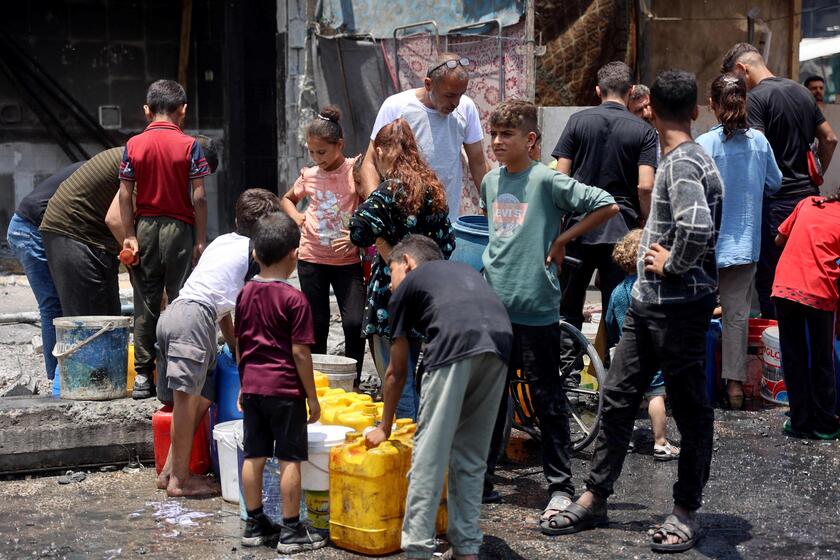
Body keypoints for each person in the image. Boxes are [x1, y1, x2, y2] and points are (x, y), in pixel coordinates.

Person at [545, 70, 723, 555]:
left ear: (649, 110)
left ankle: (685, 509)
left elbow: (697, 227)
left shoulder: (684, 163)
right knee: (620, 394)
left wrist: (672, 262)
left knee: (689, 408)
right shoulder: (674, 157)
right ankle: (595, 495)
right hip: (649, 306)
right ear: (694, 110)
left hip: (680, 308)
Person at [480, 99, 619, 525]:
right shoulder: (489, 181)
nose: (499, 142)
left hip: (537, 308)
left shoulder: (546, 181)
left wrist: (563, 240)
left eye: (508, 134)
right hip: (493, 308)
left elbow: (607, 204)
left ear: (532, 140)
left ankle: (560, 487)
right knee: (488, 398)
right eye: (494, 134)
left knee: (549, 399)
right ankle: (481, 479)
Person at [365, 235, 513, 560]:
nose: (391, 284)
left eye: (391, 271)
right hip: (501, 341)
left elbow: (395, 372)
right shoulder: (461, 272)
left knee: (429, 455)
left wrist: (384, 426)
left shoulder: (406, 287)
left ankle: (417, 548)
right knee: (472, 456)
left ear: (407, 263)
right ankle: (467, 547)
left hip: (456, 341)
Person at [155, 188, 281, 497]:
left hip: (174, 315)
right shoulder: (254, 253)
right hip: (194, 320)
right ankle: (181, 482)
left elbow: (223, 305)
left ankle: (170, 471)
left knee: (200, 398)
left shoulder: (222, 242)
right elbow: (251, 305)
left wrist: (235, 347)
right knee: (186, 402)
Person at [552, 62, 658, 374]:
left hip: (578, 231)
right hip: (621, 233)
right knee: (621, 308)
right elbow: (645, 186)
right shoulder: (643, 131)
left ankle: (568, 377)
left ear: (598, 91)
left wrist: (559, 228)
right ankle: (618, 380)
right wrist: (645, 222)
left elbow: (560, 181)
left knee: (567, 308)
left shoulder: (577, 121)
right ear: (631, 92)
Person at [721, 43, 838, 319]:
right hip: (809, 201)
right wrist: (816, 171)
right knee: (809, 273)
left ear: (742, 69)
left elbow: (756, 148)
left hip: (775, 203)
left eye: (735, 79)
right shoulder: (802, 92)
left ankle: (777, 348)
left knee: (773, 278)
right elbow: (830, 138)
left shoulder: (757, 99)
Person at [349, 118, 455, 421]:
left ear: (381, 152)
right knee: (414, 372)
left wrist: (386, 246)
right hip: (427, 296)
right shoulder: (433, 188)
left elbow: (358, 229)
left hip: (390, 298)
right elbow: (447, 245)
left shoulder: (387, 191)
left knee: (398, 379)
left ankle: (411, 451)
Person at [235, 212, 326, 554]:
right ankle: (291, 530)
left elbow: (241, 342)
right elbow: (300, 353)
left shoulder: (244, 293)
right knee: (289, 459)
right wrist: (312, 399)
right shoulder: (294, 299)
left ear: (255, 253)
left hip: (254, 387)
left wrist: (245, 383)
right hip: (285, 391)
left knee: (254, 455)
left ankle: (254, 522)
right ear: (294, 254)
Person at [119, 79, 212, 399]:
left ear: (147, 111)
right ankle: (178, 371)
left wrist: (130, 235)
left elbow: (124, 193)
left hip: (145, 228)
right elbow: (199, 196)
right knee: (181, 299)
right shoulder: (189, 145)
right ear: (182, 110)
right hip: (179, 230)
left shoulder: (133, 145)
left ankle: (144, 377)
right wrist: (200, 239)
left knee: (145, 302)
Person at [696, 74, 782, 408]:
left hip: (706, 246)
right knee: (736, 317)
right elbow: (775, 183)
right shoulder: (760, 143)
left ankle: (696, 382)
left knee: (697, 315)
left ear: (713, 105)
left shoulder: (705, 144)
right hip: (745, 245)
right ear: (744, 102)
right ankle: (733, 387)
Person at [280, 106, 366, 380]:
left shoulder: (355, 169)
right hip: (311, 259)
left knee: (354, 322)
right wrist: (297, 217)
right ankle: (317, 383)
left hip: (347, 261)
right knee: (317, 325)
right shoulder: (309, 175)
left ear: (339, 144)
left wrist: (359, 235)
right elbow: (287, 199)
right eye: (312, 152)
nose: (317, 158)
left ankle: (351, 379)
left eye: (323, 152)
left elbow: (370, 199)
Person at [360, 52, 488, 219]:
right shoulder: (396, 106)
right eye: (449, 95)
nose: (456, 103)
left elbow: (478, 164)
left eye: (461, 94)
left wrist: (489, 204)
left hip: (445, 222)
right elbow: (370, 162)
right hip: (402, 220)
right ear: (428, 84)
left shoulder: (466, 108)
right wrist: (377, 212)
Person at [604, 229, 679, 461]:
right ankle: (661, 442)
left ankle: (623, 439)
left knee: (627, 398)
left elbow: (609, 322)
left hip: (627, 351)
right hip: (653, 350)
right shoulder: (653, 287)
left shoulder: (617, 292)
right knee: (656, 394)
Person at [773, 192, 840, 440]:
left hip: (784, 286)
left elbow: (779, 238)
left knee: (793, 355)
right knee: (823, 359)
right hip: (819, 290)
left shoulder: (808, 202)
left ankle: (800, 421)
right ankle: (825, 424)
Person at [7, 161, 83, 379]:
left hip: (35, 227)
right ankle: (55, 376)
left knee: (61, 301)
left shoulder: (94, 169)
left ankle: (61, 371)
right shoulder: (109, 176)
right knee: (52, 304)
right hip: (29, 229)